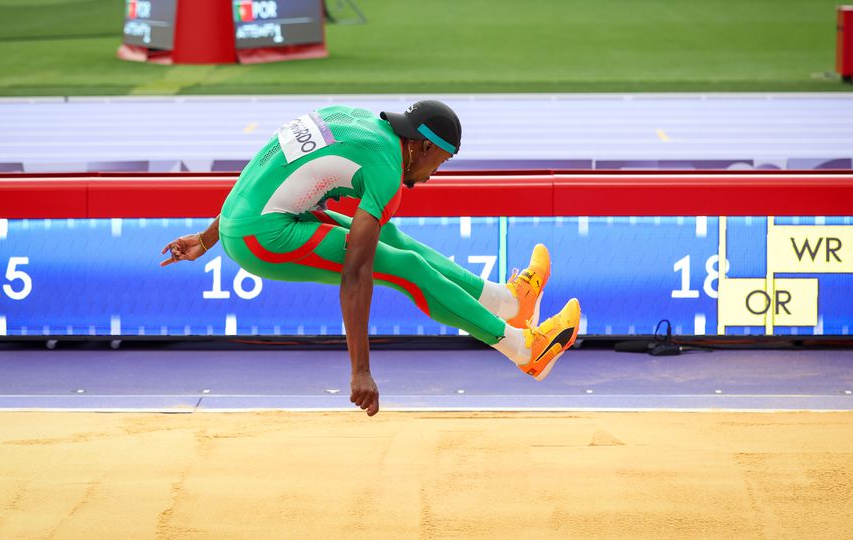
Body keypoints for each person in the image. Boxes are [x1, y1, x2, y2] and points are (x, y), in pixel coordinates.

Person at [160, 100, 581, 416]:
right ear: (419, 146)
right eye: (440, 160)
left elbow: (264, 173)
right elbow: (356, 273)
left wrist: (207, 235)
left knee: (392, 237)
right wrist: (360, 370)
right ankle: (526, 352)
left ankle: (509, 303)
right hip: (264, 237)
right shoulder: (383, 168)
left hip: (245, 218)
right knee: (405, 268)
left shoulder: (355, 121)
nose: (435, 173)